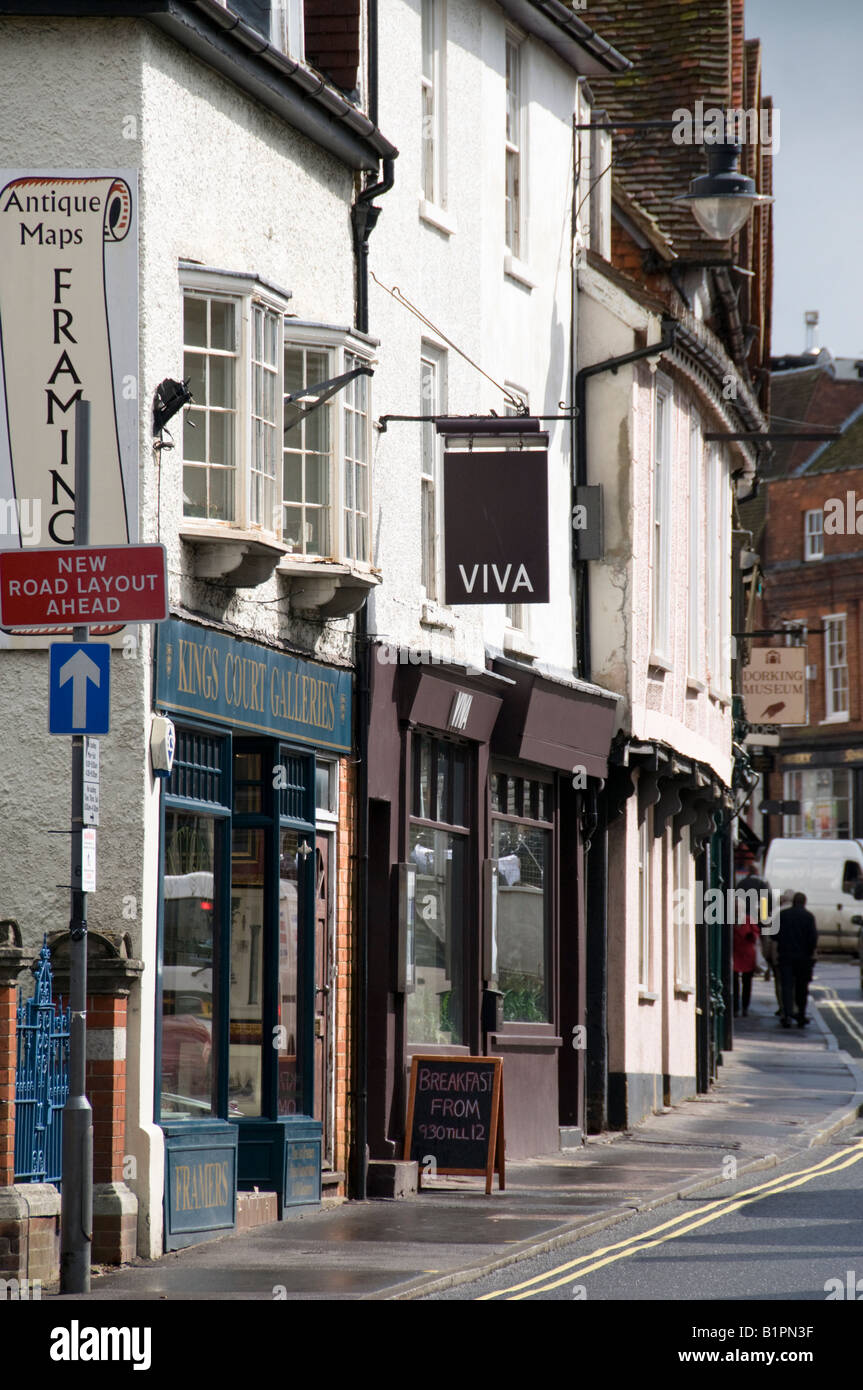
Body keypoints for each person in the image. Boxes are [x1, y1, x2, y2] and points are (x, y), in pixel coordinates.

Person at [776, 891, 818, 1029]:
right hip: (803, 958)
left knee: (787, 987)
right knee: (802, 987)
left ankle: (787, 1015)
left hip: (785, 956)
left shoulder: (783, 915)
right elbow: (813, 938)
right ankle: (801, 1014)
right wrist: (810, 952)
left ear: (793, 901)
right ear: (804, 903)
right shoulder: (809, 917)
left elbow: (773, 935)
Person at [732, 912, 758, 1017]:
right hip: (735, 953)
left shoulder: (748, 919)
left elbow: (756, 933)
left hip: (747, 955)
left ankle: (745, 1007)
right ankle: (735, 1007)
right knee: (734, 983)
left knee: (747, 982)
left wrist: (752, 936)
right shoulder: (730, 920)